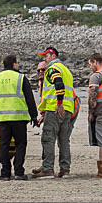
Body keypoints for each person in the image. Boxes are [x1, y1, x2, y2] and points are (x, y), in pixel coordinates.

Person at [0, 55, 38, 180]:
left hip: (3, 118)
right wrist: (34, 115)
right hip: (19, 117)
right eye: (17, 63)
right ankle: (18, 172)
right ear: (14, 64)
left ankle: (5, 173)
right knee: (21, 144)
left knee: (4, 146)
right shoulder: (20, 77)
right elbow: (29, 98)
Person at [32, 47, 76, 179]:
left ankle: (47, 169)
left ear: (52, 55)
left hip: (56, 108)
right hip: (68, 108)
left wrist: (59, 104)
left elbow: (58, 84)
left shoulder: (53, 69)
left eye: (46, 56)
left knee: (48, 138)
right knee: (63, 140)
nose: (44, 59)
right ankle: (64, 169)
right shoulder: (66, 70)